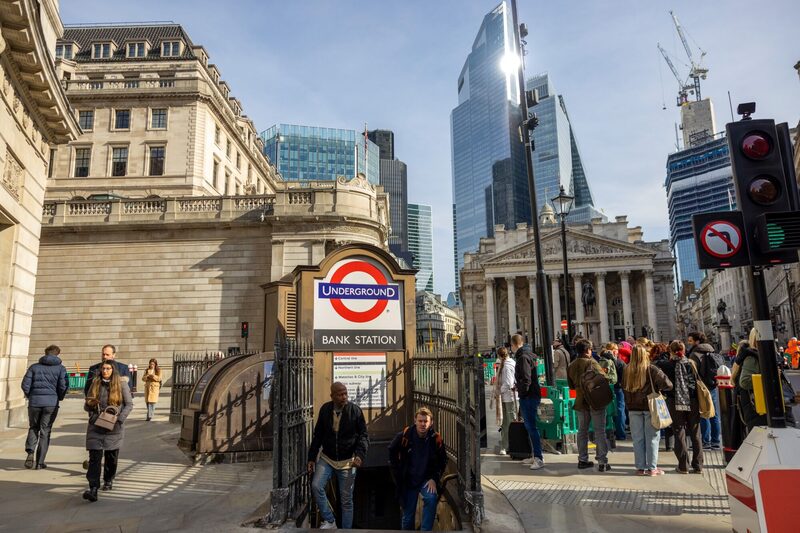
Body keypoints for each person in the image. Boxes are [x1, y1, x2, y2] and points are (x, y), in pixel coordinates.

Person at [307, 382, 369, 530]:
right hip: (327, 458)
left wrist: (360, 455)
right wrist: (311, 457)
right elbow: (318, 435)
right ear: (332, 396)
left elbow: (363, 436)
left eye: (345, 393)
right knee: (316, 486)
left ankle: (346, 530)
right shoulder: (325, 409)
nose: (344, 397)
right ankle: (330, 521)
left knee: (346, 501)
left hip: (348, 462)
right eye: (340, 394)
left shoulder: (355, 411)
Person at [389, 407, 448, 531]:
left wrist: (434, 478)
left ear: (431, 422)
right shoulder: (405, 435)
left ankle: (426, 530)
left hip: (426, 479)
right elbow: (391, 451)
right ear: (415, 421)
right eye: (420, 421)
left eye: (425, 421)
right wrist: (398, 473)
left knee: (431, 499)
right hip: (409, 480)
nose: (423, 424)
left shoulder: (435, 438)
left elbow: (442, 461)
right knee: (408, 517)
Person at [82, 361, 133, 502]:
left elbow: (129, 404)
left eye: (108, 368)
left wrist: (120, 419)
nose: (105, 371)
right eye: (103, 368)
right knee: (94, 458)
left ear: (113, 370)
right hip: (96, 425)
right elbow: (86, 406)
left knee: (111, 457)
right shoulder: (95, 382)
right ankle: (93, 489)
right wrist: (90, 405)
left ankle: (108, 480)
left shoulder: (121, 384)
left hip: (113, 426)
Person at [622, 345, 673, 476]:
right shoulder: (651, 369)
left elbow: (623, 387)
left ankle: (640, 467)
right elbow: (668, 384)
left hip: (633, 407)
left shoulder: (626, 369)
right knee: (652, 438)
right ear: (645, 355)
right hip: (650, 407)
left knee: (637, 439)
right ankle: (652, 468)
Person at [21, 345, 69, 469]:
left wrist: (31, 396)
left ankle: (30, 452)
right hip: (51, 404)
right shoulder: (61, 369)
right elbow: (63, 386)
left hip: (34, 403)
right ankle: (40, 462)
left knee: (33, 427)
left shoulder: (34, 367)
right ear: (57, 354)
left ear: (45, 353)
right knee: (45, 430)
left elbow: (25, 384)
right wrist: (59, 397)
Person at [568, 339, 611, 471]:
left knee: (582, 431)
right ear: (587, 350)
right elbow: (604, 378)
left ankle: (582, 459)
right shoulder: (592, 362)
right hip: (595, 400)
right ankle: (602, 462)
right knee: (599, 431)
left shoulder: (572, 365)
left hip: (581, 401)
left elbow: (571, 385)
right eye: (590, 349)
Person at [662, 341, 703, 474]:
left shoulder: (667, 365)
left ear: (670, 351)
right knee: (695, 432)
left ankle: (683, 465)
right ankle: (698, 465)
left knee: (679, 431)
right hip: (693, 400)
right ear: (684, 350)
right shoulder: (691, 363)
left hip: (675, 401)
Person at [512, 333, 544, 470]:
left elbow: (526, 378)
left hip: (529, 396)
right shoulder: (528, 355)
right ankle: (534, 454)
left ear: (514, 344)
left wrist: (522, 392)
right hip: (531, 394)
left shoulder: (523, 358)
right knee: (530, 426)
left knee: (531, 427)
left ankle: (538, 458)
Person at [687, 334, 722, 450]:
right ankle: (716, 441)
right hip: (712, 385)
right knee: (714, 413)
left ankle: (705, 441)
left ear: (697, 341)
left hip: (701, 386)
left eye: (691, 340)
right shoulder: (712, 351)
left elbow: (692, 372)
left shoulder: (694, 354)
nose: (689, 343)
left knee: (703, 412)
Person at [602, 343, 627, 442]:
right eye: (615, 349)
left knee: (607, 410)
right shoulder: (619, 362)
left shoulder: (602, 360)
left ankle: (609, 431)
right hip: (618, 388)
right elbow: (625, 375)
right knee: (620, 410)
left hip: (606, 388)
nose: (617, 351)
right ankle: (620, 434)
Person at [496, 347, 516, 455]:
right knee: (506, 422)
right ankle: (505, 445)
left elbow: (509, 382)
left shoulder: (507, 365)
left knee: (509, 422)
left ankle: (508, 446)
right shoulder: (508, 363)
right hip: (507, 397)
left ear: (499, 356)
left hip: (509, 397)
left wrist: (500, 391)